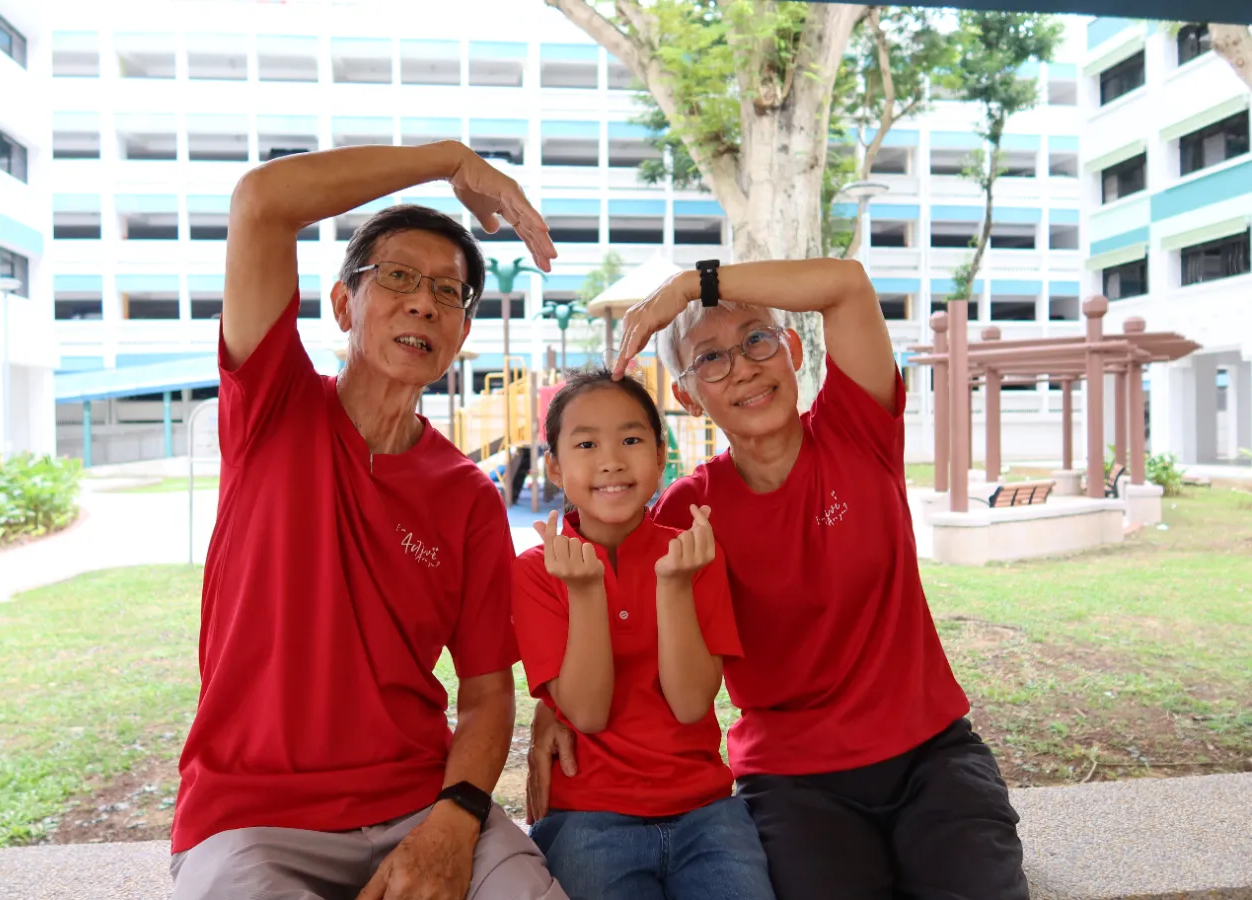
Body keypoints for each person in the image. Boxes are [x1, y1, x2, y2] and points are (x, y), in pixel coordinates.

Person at [528, 259, 1029, 900]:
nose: (741, 366)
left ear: (791, 350)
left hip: (931, 753)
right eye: (709, 358)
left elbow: (846, 284)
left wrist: (692, 286)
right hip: (793, 778)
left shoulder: (856, 429)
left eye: (757, 340)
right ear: (686, 395)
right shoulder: (688, 510)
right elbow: (604, 573)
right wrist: (552, 708)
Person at [168, 140, 568, 900]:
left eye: (449, 293)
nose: (424, 301)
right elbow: (261, 203)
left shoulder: (468, 497)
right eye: (398, 278)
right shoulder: (272, 404)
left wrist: (454, 822)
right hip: (252, 818)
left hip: (423, 803)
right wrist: (451, 160)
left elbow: (486, 694)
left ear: (459, 336)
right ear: (344, 303)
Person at [513, 370, 775, 900]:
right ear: (557, 468)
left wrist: (673, 586)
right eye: (587, 444)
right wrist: (587, 592)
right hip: (589, 817)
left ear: (659, 456)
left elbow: (691, 703)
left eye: (631, 440)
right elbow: (586, 713)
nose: (611, 460)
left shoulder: (692, 554)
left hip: (705, 811)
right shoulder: (537, 572)